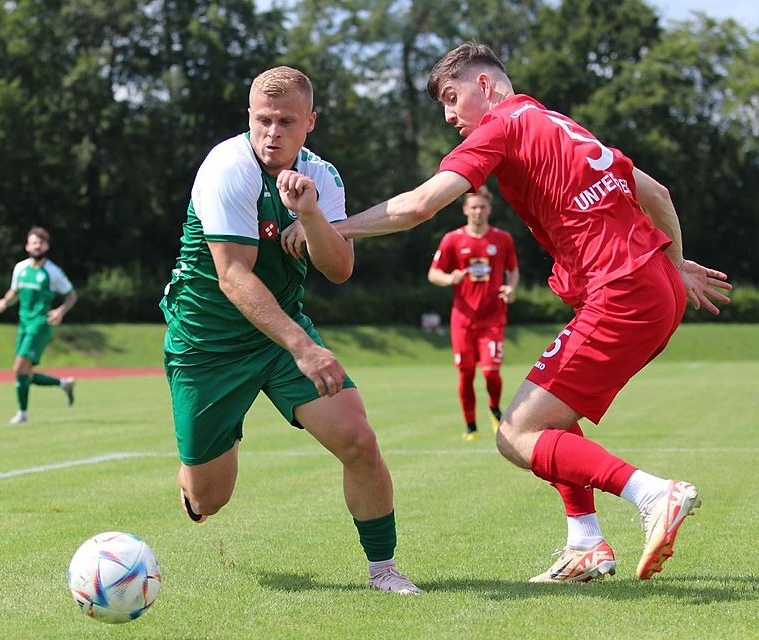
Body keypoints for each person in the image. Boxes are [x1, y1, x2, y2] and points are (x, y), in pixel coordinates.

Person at [327, 42, 732, 582]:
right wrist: (676, 264)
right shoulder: (560, 123)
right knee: (552, 420)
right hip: (650, 283)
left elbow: (418, 206)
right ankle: (585, 543)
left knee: (515, 434)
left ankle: (653, 493)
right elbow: (656, 192)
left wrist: (333, 228)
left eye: (452, 98)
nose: (449, 115)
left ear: (487, 86)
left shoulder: (501, 126)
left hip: (621, 290)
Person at [159, 66, 421, 594]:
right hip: (207, 344)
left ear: (310, 123)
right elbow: (234, 277)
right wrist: (305, 347)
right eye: (262, 120)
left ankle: (383, 570)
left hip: (279, 335)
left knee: (359, 440)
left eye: (285, 121)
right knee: (211, 500)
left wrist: (312, 215)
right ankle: (194, 480)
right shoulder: (225, 169)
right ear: (249, 119)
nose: (272, 133)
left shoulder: (321, 176)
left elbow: (339, 269)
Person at [427, 185, 518, 440]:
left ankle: (494, 408)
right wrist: (450, 278)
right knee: (466, 373)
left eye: (482, 207)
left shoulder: (502, 239)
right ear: (466, 209)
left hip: (492, 317)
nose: (478, 211)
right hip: (463, 319)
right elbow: (433, 273)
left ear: (489, 209)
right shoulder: (453, 239)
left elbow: (513, 271)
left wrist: (510, 289)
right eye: (473, 207)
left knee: (491, 372)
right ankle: (470, 426)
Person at [0, 226, 78, 425]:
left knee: (18, 368)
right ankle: (63, 384)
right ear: (27, 246)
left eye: (40, 243)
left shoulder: (52, 271)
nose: (37, 246)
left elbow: (72, 295)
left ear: (46, 246)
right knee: (25, 372)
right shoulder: (20, 268)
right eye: (33, 242)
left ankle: (22, 414)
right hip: (23, 324)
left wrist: (60, 311)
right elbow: (14, 291)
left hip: (40, 324)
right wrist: (5, 301)